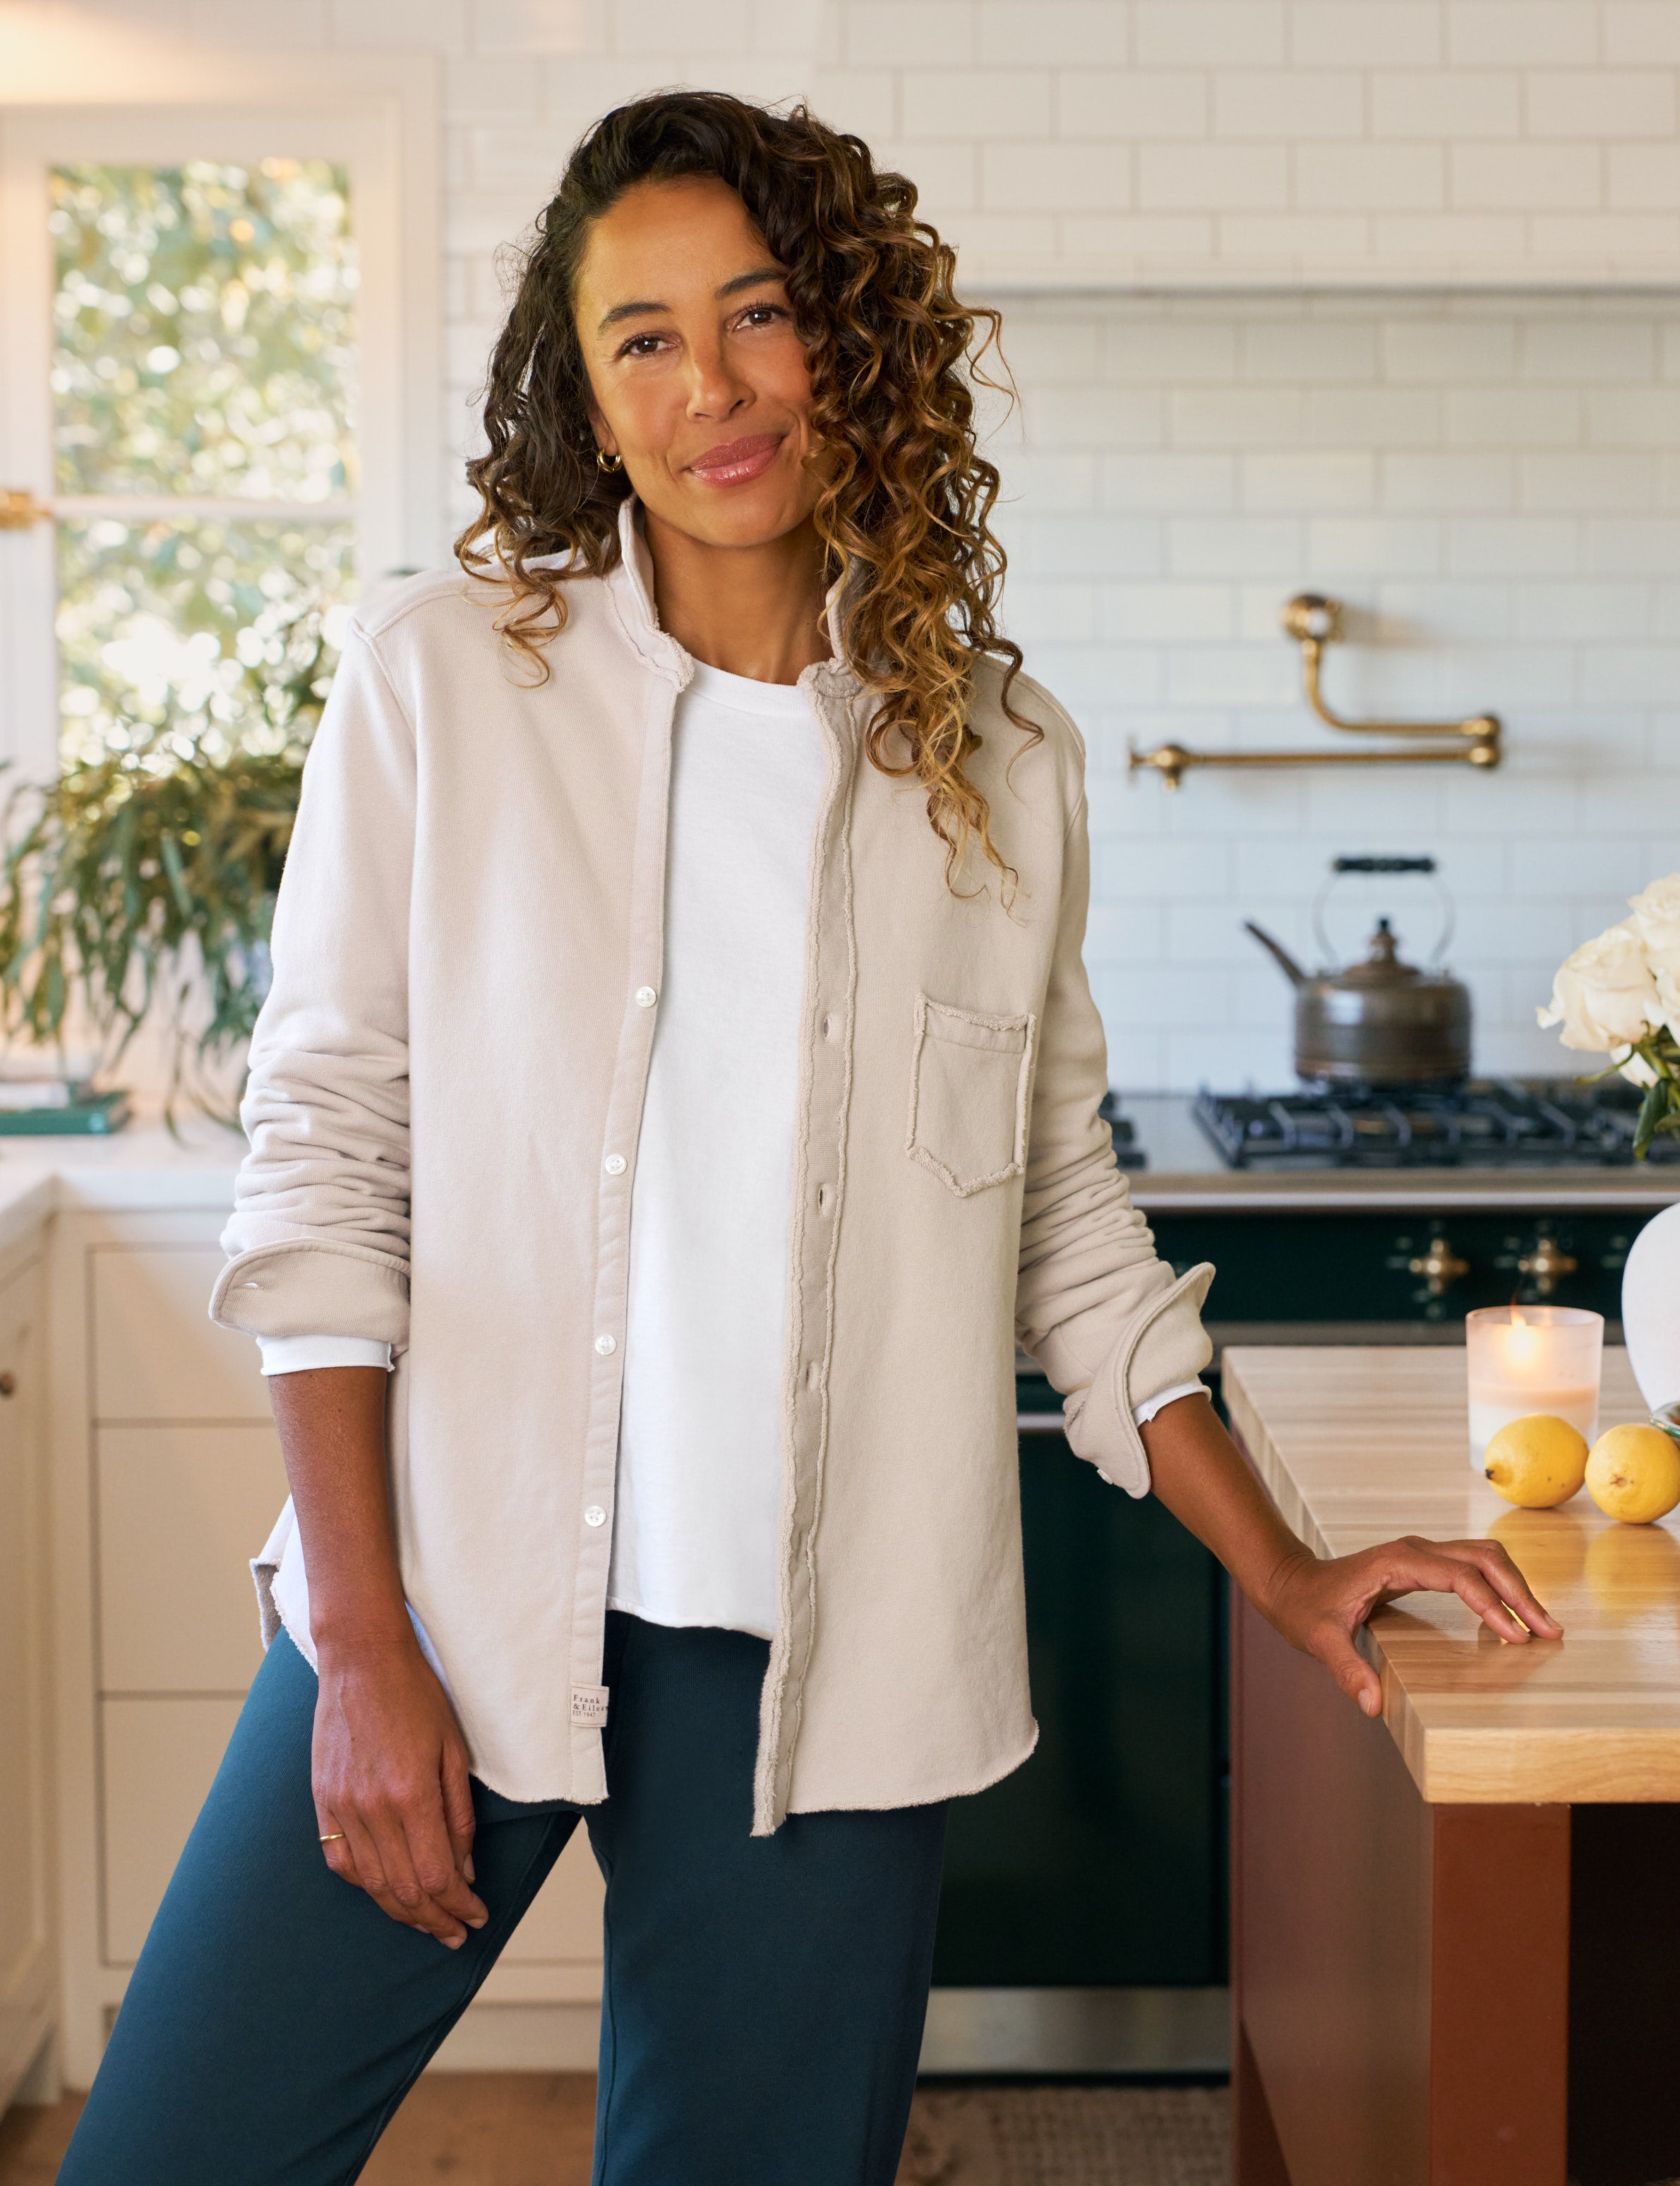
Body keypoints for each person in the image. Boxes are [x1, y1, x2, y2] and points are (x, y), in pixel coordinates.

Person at [59, 91, 1559, 2186]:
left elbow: (1061, 1223)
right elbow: (324, 1162)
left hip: (827, 1658)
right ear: (583, 398)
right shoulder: (442, 686)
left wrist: (1290, 1570)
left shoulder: (993, 761)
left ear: (847, 334)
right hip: (449, 1588)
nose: (712, 391)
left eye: (754, 315)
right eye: (642, 341)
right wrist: (359, 1637)